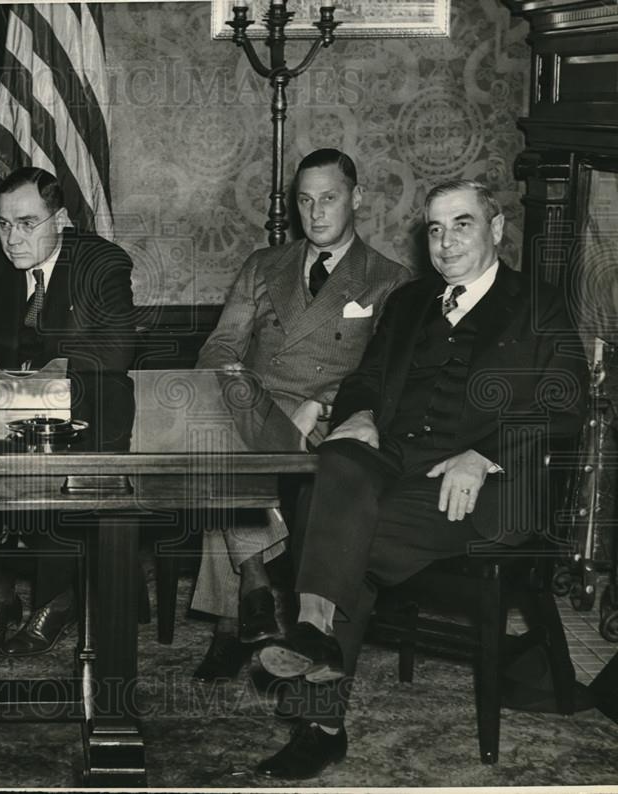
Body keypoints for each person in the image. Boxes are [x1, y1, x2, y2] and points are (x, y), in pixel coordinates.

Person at [252, 179, 587, 778]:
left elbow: (565, 405)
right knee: (332, 466)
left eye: (462, 224)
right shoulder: (409, 303)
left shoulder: (540, 303)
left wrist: (483, 456)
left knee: (337, 535)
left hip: (486, 486)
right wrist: (356, 416)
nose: (446, 241)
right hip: (396, 465)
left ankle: (319, 713)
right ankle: (315, 636)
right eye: (435, 228)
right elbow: (364, 379)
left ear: (497, 228)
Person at [189, 149, 413, 681]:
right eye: (305, 200)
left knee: (220, 454)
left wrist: (325, 403)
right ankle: (253, 584)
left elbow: (387, 376)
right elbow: (218, 349)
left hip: (331, 425)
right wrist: (248, 396)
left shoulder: (390, 279)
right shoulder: (264, 265)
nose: (315, 213)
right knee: (219, 435)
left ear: (356, 198)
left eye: (329, 199)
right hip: (256, 409)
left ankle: (241, 608)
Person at [0, 166, 135, 656]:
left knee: (55, 470)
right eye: (4, 225)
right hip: (4, 411)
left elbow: (116, 353)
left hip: (85, 411)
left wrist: (30, 368)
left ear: (61, 220)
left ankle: (57, 598)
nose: (12, 238)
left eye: (27, 223)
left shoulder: (102, 263)